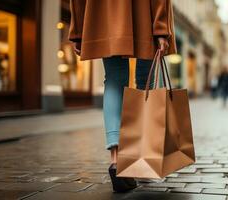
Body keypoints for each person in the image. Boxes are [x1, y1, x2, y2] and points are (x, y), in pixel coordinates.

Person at [69, 0, 176, 192]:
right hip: (144, 10)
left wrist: (78, 29)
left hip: (103, 11)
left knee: (113, 79)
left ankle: (116, 161)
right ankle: (143, 157)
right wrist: (161, 27)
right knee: (146, 81)